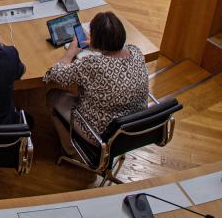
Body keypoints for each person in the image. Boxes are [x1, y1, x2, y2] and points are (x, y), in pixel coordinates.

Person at [45, 11, 149, 154]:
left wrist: (70, 51)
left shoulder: (93, 65)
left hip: (102, 134)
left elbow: (57, 75)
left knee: (52, 96)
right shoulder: (136, 52)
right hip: (135, 126)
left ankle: (70, 148)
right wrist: (96, 45)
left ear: (96, 40)